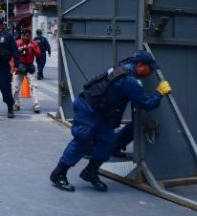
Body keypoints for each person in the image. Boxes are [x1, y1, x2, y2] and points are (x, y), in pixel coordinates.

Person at [49, 50, 172, 192]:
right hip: (87, 107)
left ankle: (90, 172)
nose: (151, 72)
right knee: (82, 140)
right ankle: (58, 173)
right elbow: (146, 103)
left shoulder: (126, 64)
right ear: (140, 65)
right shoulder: (129, 80)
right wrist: (159, 93)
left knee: (109, 141)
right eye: (150, 68)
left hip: (100, 111)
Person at [13, 29, 41, 113]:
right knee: (15, 87)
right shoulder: (17, 43)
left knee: (34, 86)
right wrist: (18, 51)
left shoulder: (33, 43)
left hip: (30, 66)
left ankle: (36, 104)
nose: (26, 38)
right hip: (19, 66)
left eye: (28, 36)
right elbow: (11, 54)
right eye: (25, 36)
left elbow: (39, 54)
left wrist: (33, 49)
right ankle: (16, 104)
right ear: (22, 35)